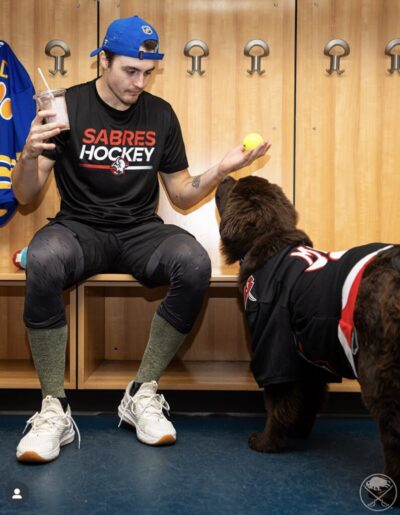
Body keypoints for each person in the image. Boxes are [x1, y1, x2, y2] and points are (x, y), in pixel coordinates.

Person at [12, 15, 270, 462]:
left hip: (138, 229)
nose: (139, 82)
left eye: (147, 72)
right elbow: (25, 194)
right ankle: (54, 407)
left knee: (193, 263)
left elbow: (182, 194)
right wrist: (30, 154)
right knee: (44, 258)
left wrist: (223, 169)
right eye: (130, 70)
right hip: (80, 227)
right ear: (103, 61)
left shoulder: (161, 114)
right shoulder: (66, 106)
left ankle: (141, 392)